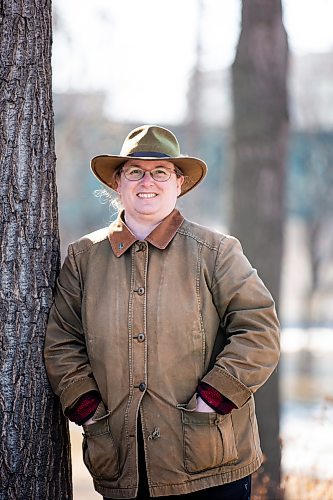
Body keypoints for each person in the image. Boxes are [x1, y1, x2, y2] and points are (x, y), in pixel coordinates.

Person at [44, 125, 280, 499]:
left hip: (210, 463)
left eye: (160, 172)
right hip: (122, 463)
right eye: (134, 171)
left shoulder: (216, 251)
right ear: (118, 184)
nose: (146, 181)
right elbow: (61, 342)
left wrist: (213, 399)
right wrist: (88, 409)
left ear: (179, 183)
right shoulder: (83, 258)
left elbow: (259, 331)